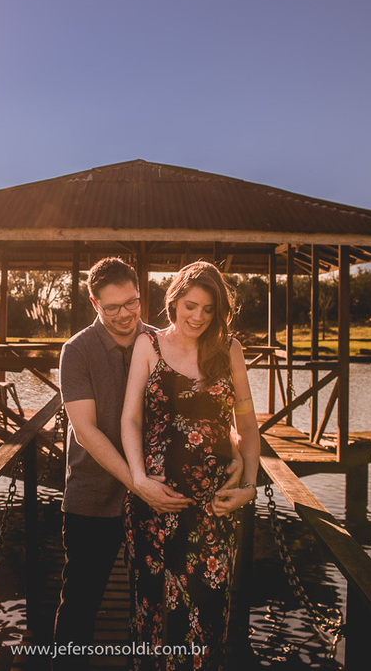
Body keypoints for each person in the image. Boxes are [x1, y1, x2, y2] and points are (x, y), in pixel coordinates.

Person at [53, 257, 238, 669]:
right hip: (95, 497)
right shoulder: (76, 351)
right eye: (112, 306)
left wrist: (238, 457)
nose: (124, 314)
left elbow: (210, 411)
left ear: (143, 295)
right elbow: (86, 432)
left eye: (132, 303)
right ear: (93, 303)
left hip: (160, 505)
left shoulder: (161, 342)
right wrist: (137, 483)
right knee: (81, 605)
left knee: (153, 604)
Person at [120, 261, 260, 669]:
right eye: (191, 306)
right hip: (154, 504)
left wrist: (248, 484)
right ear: (174, 301)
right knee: (154, 615)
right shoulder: (149, 345)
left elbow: (246, 422)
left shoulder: (229, 349)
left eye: (209, 309)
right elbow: (130, 418)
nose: (198, 317)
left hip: (213, 507)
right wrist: (139, 478)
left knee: (207, 615)